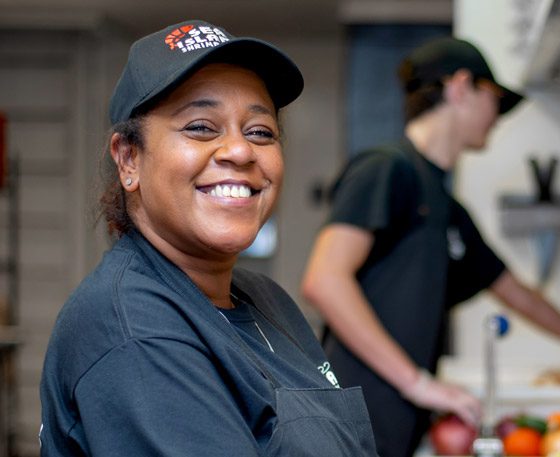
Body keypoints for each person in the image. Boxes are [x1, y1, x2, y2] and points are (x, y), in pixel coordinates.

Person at [39, 20, 377, 456]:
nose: (239, 151)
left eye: (260, 132)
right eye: (201, 126)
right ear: (128, 159)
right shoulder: (136, 331)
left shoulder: (266, 301)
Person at [300, 36, 560, 457]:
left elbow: (515, 293)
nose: (497, 116)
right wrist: (419, 383)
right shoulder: (387, 170)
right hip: (352, 424)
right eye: (494, 99)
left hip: (397, 426)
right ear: (460, 87)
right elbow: (324, 280)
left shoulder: (447, 208)